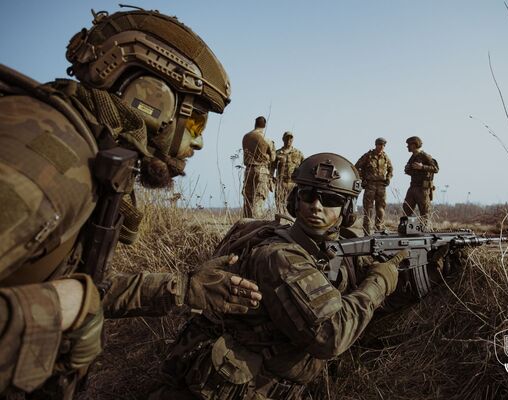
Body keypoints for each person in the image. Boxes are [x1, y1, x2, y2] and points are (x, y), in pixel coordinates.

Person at [0, 8, 261, 398]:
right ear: (153, 99)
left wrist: (185, 288)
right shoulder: (46, 157)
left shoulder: (83, 152)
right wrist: (62, 307)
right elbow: (73, 297)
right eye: (196, 123)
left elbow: (77, 290)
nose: (199, 141)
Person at [153, 153, 407, 399]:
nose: (316, 205)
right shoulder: (280, 255)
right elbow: (331, 336)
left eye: (330, 199)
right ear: (296, 199)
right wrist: (380, 282)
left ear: (347, 209)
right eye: (308, 195)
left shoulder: (328, 248)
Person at [354, 137, 393, 234]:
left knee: (381, 210)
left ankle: (378, 231)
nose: (381, 147)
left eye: (383, 145)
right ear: (376, 145)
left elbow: (391, 169)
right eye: (379, 144)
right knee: (368, 210)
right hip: (370, 185)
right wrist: (362, 179)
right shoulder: (368, 156)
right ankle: (366, 232)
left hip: (381, 186)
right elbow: (356, 167)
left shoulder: (385, 157)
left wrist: (388, 178)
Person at [242, 116, 276, 218]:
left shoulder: (246, 137)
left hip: (248, 170)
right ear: (264, 125)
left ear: (255, 124)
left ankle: (246, 222)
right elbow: (273, 158)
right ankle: (257, 223)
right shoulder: (267, 140)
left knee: (247, 198)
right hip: (261, 170)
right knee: (259, 198)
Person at [402, 136, 439, 223]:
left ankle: (425, 230)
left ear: (414, 145)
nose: (407, 147)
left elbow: (435, 169)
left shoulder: (425, 156)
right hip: (413, 187)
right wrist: (407, 169)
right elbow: (413, 171)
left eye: (409, 145)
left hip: (422, 189)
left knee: (424, 211)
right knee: (407, 208)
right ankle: (408, 228)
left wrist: (422, 167)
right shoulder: (412, 157)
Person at [271, 131, 304, 216]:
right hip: (281, 184)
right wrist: (271, 179)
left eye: (291, 138)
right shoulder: (277, 153)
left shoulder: (298, 153)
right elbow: (272, 168)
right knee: (280, 207)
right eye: (287, 138)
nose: (289, 140)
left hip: (293, 185)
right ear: (283, 139)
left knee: (294, 206)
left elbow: (304, 167)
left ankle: (292, 224)